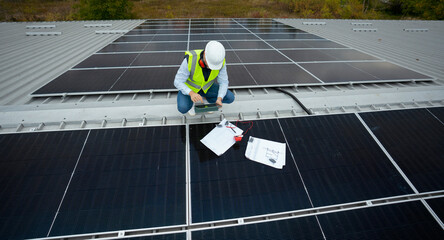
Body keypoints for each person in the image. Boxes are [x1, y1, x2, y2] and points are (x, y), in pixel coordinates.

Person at [174, 40, 235, 116]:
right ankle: (192, 103)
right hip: (190, 88)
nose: (210, 68)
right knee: (183, 108)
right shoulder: (190, 59)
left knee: (230, 97)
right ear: (205, 54)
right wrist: (191, 93)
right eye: (209, 64)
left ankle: (206, 99)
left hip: (207, 87)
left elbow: (224, 82)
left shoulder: (220, 61)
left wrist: (219, 98)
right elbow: (178, 81)